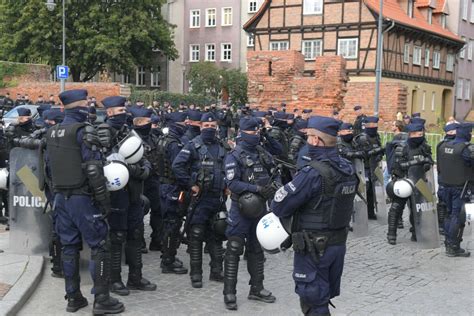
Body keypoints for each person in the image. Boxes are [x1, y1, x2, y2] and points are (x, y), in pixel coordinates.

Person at [45, 89, 124, 314]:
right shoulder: (84, 131)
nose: (90, 105)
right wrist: (104, 201)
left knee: (68, 247)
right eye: (88, 102)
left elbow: (47, 169)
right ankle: (102, 299)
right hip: (82, 198)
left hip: (61, 198)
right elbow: (93, 169)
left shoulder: (52, 131)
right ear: (82, 105)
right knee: (100, 245)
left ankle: (73, 297)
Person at [271, 115, 357, 316]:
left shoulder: (313, 173)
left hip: (314, 249)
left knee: (313, 303)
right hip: (337, 245)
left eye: (309, 136)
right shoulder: (346, 168)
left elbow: (279, 206)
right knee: (322, 298)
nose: (307, 141)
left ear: (316, 140)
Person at [99, 97, 157, 295]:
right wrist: (133, 169)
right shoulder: (103, 132)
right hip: (115, 193)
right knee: (117, 237)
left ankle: (135, 277)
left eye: (124, 109)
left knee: (136, 233)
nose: (123, 113)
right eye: (119, 110)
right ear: (109, 112)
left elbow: (143, 155)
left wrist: (145, 169)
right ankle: (114, 280)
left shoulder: (127, 131)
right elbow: (107, 163)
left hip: (133, 191)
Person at [223, 116, 279, 310]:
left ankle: (257, 288)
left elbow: (275, 171)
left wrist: (273, 187)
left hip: (260, 209)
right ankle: (229, 292)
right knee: (234, 248)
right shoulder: (234, 156)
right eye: (252, 132)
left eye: (257, 131)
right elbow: (232, 183)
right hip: (241, 209)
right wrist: (256, 189)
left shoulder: (262, 153)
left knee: (256, 248)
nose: (256, 135)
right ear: (242, 133)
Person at [172, 112, 227, 288]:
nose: (209, 129)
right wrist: (191, 185)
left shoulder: (223, 147)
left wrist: (229, 185)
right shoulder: (193, 146)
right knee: (196, 236)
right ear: (200, 127)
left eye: (212, 126)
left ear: (217, 127)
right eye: (206, 126)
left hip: (218, 198)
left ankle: (216, 271)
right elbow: (177, 166)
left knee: (217, 234)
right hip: (199, 199)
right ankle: (196, 274)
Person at [387, 121, 433, 245]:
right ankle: (391, 233)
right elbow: (399, 165)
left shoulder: (424, 146)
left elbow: (430, 160)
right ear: (410, 134)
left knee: (417, 209)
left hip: (419, 180)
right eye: (415, 134)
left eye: (420, 133)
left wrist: (427, 163)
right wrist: (415, 162)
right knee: (396, 207)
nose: (418, 136)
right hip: (403, 180)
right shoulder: (402, 147)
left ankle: (415, 231)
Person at [155, 111, 189, 274]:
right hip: (172, 188)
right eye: (183, 123)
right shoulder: (174, 143)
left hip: (163, 186)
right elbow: (178, 168)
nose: (186, 126)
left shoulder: (163, 139)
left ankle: (167, 255)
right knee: (172, 224)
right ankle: (168, 260)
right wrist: (188, 183)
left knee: (167, 222)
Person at [437, 123, 473, 257]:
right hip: (461, 188)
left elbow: (439, 167)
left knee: (448, 214)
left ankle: (448, 243)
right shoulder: (467, 149)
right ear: (467, 133)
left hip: (445, 186)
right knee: (457, 216)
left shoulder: (443, 146)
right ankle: (453, 247)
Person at [352, 116, 384, 220]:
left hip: (374, 167)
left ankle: (370, 212)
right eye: (371, 125)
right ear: (366, 125)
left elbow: (378, 151)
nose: (374, 127)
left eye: (375, 125)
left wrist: (379, 154)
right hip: (364, 167)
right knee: (363, 191)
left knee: (371, 192)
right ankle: (359, 213)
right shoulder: (362, 138)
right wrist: (378, 150)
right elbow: (363, 154)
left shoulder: (376, 136)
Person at [435, 123, 459, 234]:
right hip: (451, 179)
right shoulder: (456, 145)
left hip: (442, 177)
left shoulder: (440, 145)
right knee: (447, 204)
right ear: (452, 132)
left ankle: (441, 224)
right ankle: (443, 225)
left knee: (442, 201)